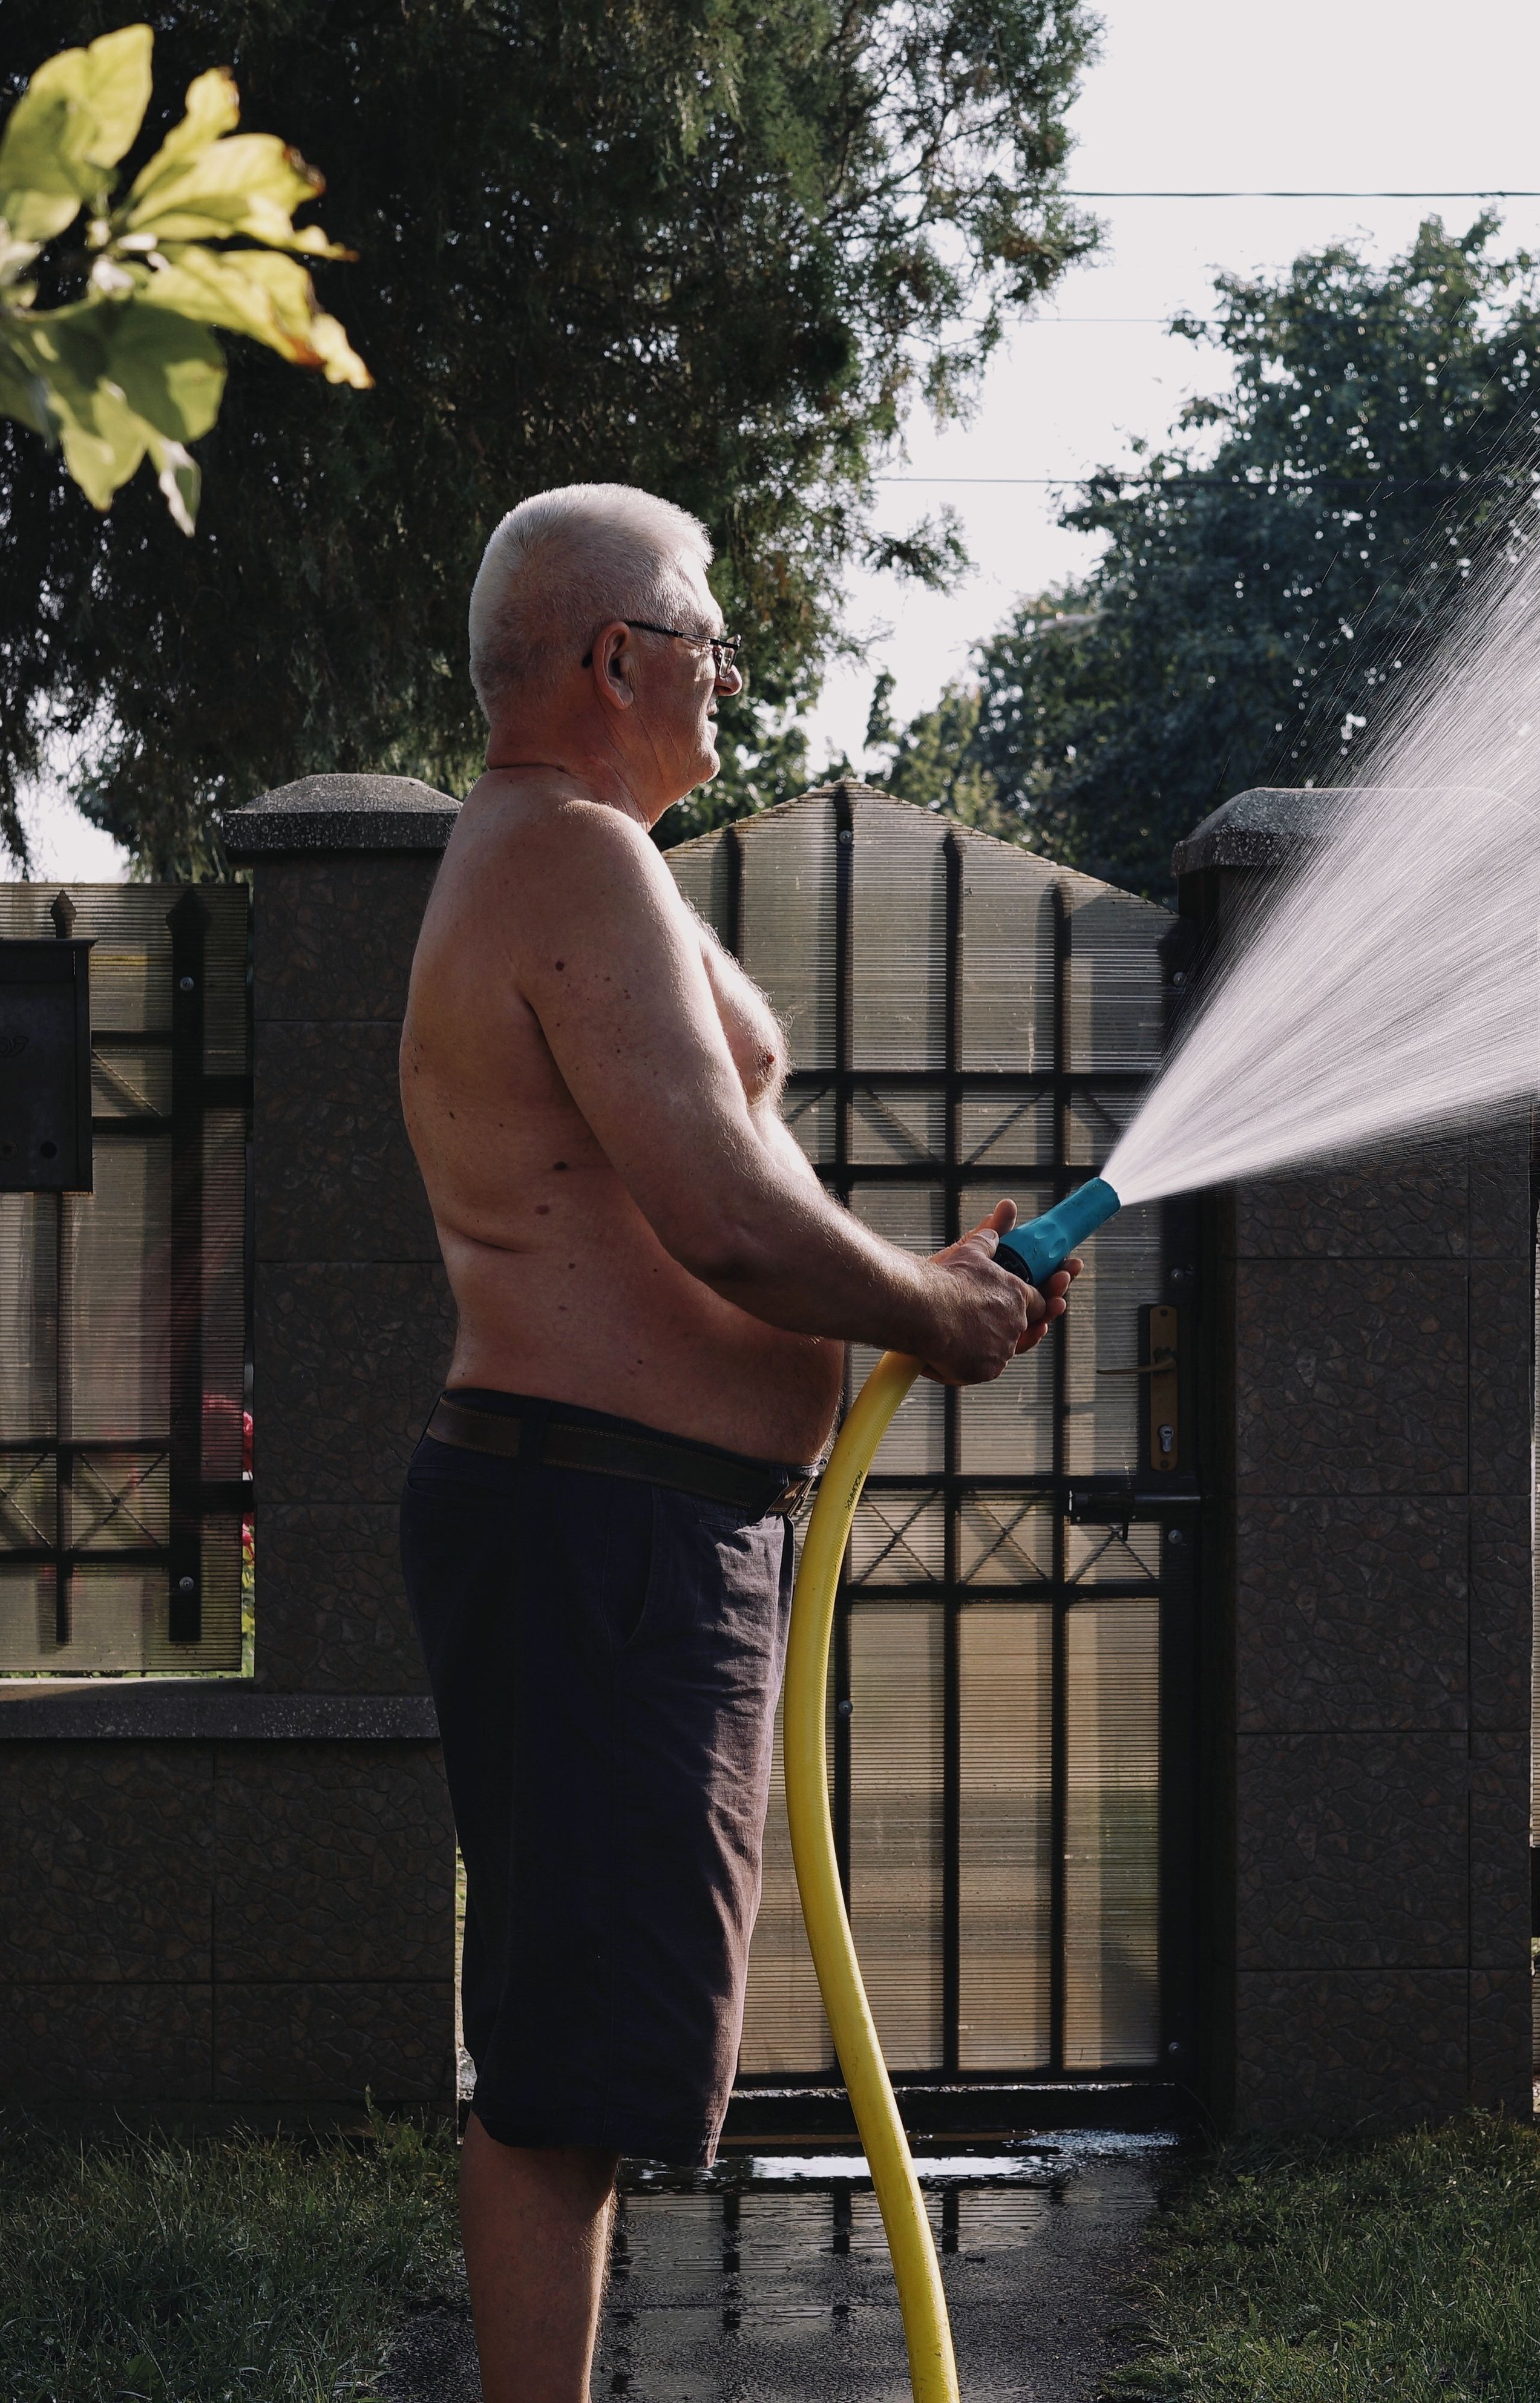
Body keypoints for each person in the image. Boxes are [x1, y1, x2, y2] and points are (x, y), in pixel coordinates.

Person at [399, 483, 1074, 2401]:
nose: (730, 676)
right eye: (708, 638)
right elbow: (718, 1213)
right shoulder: (567, 859)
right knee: (565, 2075)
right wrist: (923, 1312)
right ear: (616, 656)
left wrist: (911, 1284)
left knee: (593, 2057)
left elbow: (728, 1202)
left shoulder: (567, 858)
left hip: (623, 1523)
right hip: (596, 1522)